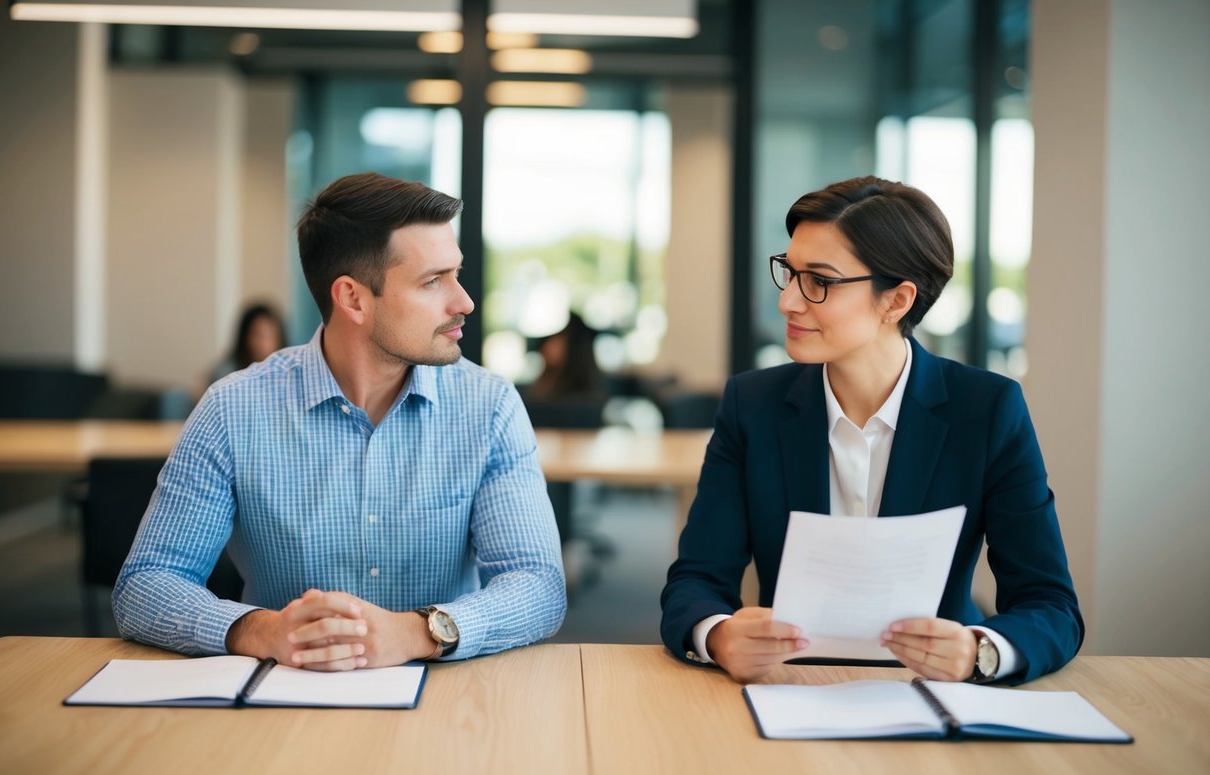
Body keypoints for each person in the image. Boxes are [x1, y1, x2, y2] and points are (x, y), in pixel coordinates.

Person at [114, 172, 566, 670]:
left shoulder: (490, 407)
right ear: (352, 298)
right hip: (287, 692)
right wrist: (260, 629)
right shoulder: (233, 410)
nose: (464, 302)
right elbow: (146, 584)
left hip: (446, 706)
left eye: (455, 274)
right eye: (433, 281)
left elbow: (538, 586)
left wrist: (417, 632)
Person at [660, 176, 1082, 685]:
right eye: (790, 274)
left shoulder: (987, 409)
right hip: (789, 688)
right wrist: (719, 634)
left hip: (939, 691)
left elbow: (1051, 604)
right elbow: (696, 581)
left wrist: (980, 650)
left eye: (818, 281)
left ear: (896, 301)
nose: (788, 302)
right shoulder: (752, 406)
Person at [209, 303, 287, 384]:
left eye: (270, 335)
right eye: (258, 335)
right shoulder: (226, 372)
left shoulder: (287, 370)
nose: (264, 344)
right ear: (245, 337)